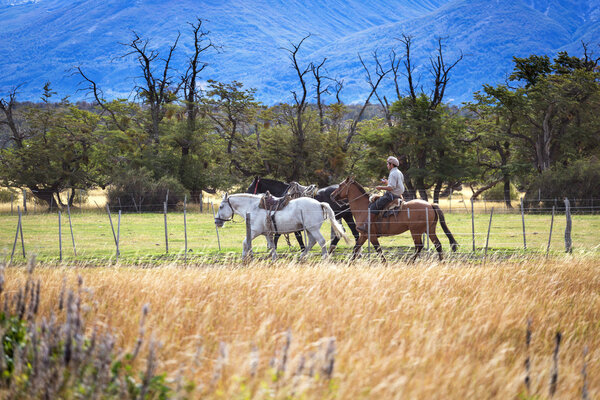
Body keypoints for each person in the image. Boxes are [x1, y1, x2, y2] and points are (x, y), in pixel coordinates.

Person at [358, 156, 405, 232]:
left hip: (391, 195)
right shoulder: (399, 172)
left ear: (391, 165)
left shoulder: (393, 173)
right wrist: (386, 183)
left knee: (373, 206)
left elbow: (391, 188)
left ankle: (366, 226)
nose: (387, 165)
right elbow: (395, 184)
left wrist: (380, 187)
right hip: (397, 194)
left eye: (387, 164)